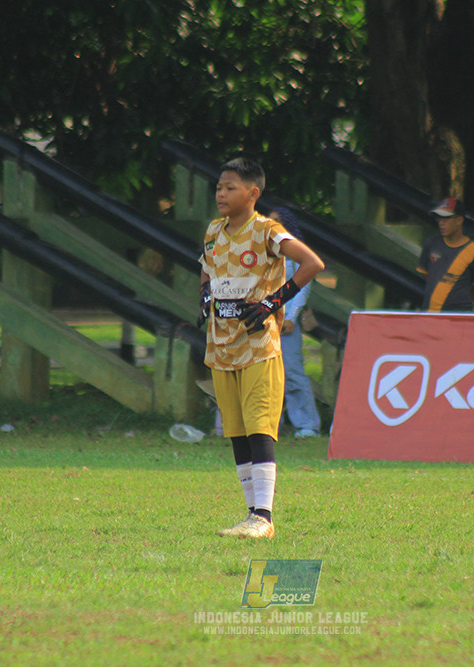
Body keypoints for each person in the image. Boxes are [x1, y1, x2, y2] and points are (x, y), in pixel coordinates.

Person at [197, 157, 325, 539]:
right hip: (221, 346)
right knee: (236, 431)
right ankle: (252, 515)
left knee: (259, 429)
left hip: (258, 345)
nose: (221, 193)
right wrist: (205, 296)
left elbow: (311, 263)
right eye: (219, 186)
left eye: (230, 187)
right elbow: (206, 267)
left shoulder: (268, 230)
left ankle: (264, 517)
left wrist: (272, 302)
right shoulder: (213, 231)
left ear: (253, 193)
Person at [269, 207, 322, 439]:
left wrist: (290, 317)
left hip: (286, 322)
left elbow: (302, 286)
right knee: (265, 374)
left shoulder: (296, 252)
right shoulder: (262, 252)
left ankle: (307, 424)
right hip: (263, 320)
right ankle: (270, 424)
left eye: (277, 221)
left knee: (292, 372)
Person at [417, 197, 474, 312]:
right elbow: (426, 275)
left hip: (458, 317)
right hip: (430, 314)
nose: (441, 223)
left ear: (459, 220)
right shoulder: (431, 244)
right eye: (439, 219)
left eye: (446, 218)